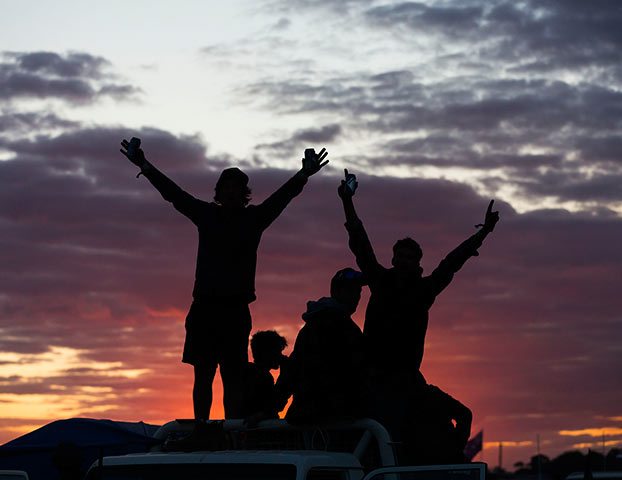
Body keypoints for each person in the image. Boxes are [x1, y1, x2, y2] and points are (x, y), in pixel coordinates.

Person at [119, 138, 328, 420]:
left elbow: (282, 197)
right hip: (204, 308)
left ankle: (233, 432)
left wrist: (303, 174)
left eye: (237, 189)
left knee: (233, 377)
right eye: (226, 188)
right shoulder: (206, 214)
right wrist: (144, 164)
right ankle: (202, 429)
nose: (231, 193)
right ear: (219, 192)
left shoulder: (254, 218)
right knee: (203, 376)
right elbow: (173, 194)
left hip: (235, 311)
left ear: (244, 194)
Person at [337, 169, 498, 455]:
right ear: (393, 258)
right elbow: (359, 241)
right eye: (400, 256)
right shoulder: (380, 279)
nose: (403, 261)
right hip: (375, 382)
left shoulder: (425, 290)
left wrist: (483, 233)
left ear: (417, 263)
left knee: (461, 416)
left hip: (409, 381)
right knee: (388, 441)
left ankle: (454, 467)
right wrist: (347, 201)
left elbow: (453, 262)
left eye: (410, 258)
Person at [274, 267, 366, 425]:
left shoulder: (311, 326)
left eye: (358, 292)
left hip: (306, 416)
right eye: (350, 291)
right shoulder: (345, 328)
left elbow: (292, 369)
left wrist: (270, 408)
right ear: (336, 292)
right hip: (335, 420)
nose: (356, 297)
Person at [244, 330, 288, 420]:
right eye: (278, 352)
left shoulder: (252, 372)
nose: (280, 356)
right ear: (268, 354)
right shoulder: (263, 377)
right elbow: (276, 404)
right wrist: (285, 374)